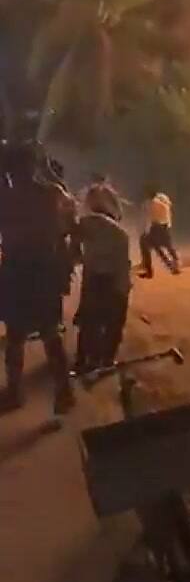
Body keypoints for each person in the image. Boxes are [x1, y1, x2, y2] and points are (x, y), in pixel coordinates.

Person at [0, 143, 76, 414]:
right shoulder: (52, 193)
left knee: (15, 337)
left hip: (16, 272)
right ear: (34, 166)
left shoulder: (4, 198)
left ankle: (15, 392)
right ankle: (64, 392)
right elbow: (69, 222)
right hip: (44, 269)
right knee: (50, 334)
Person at [75, 207, 131, 371]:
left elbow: (76, 252)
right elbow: (123, 268)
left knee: (90, 319)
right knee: (111, 322)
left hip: (100, 277)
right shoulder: (120, 234)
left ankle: (86, 358)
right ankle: (105, 358)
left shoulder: (86, 225)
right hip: (111, 278)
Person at [139, 187, 180, 278]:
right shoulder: (163, 199)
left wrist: (145, 231)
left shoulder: (148, 204)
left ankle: (149, 270)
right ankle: (175, 266)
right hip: (165, 226)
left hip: (156, 227)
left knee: (146, 245)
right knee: (167, 247)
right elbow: (168, 208)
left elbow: (147, 219)